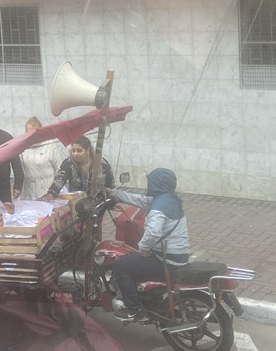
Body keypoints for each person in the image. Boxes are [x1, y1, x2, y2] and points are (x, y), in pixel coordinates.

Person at [109, 168, 189, 322]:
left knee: (120, 265)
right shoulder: (170, 199)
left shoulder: (158, 206)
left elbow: (153, 233)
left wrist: (143, 248)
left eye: (150, 181)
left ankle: (135, 310)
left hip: (166, 259)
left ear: (156, 183)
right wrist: (113, 193)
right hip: (178, 255)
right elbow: (138, 200)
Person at [45, 135, 114, 198]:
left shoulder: (101, 164)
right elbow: (59, 179)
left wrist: (106, 191)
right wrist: (51, 193)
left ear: (87, 150)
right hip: (76, 202)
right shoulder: (68, 163)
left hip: (97, 202)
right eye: (73, 151)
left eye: (79, 151)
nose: (75, 154)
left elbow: (110, 183)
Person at [18, 117, 62, 200]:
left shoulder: (49, 145)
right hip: (28, 195)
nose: (32, 134)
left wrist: (54, 192)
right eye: (29, 132)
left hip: (48, 194)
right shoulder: (22, 146)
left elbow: (59, 169)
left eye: (34, 132)